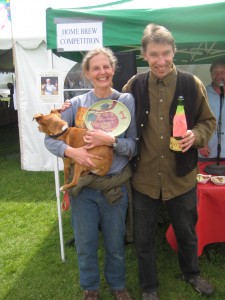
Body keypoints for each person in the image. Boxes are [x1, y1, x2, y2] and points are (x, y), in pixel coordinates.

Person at [122, 24, 216, 300]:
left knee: (186, 231)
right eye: (154, 54)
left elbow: (208, 121)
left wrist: (196, 134)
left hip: (181, 176)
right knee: (143, 237)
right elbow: (113, 112)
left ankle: (192, 274)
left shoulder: (191, 83)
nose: (160, 61)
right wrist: (76, 108)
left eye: (165, 53)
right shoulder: (134, 85)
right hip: (144, 178)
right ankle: (149, 287)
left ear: (174, 51)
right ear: (144, 55)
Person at [45, 47, 136, 300]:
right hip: (82, 190)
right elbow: (50, 141)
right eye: (95, 68)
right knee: (85, 245)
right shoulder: (76, 104)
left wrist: (112, 142)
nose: (102, 72)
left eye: (106, 66)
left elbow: (133, 146)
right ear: (87, 73)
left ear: (113, 69)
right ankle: (90, 289)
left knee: (115, 245)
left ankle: (118, 286)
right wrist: (73, 153)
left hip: (113, 187)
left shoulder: (125, 102)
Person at [198, 60, 225, 159]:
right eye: (215, 72)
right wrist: (200, 142)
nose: (218, 76)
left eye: (222, 72)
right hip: (208, 154)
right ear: (211, 74)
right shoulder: (202, 94)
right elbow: (192, 119)